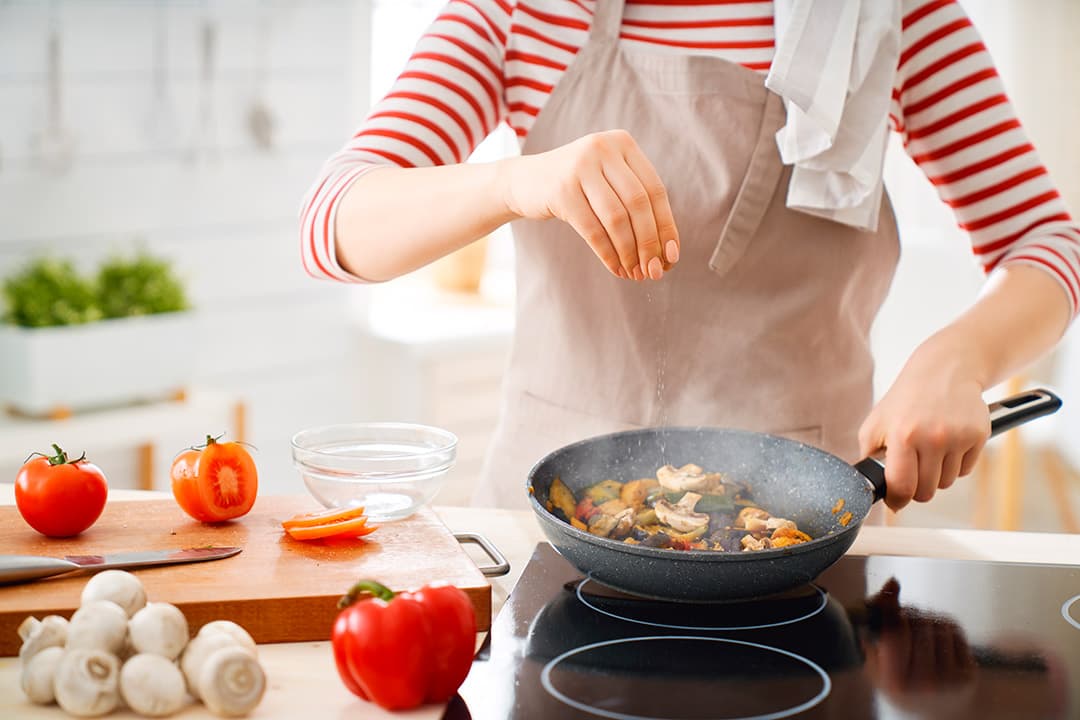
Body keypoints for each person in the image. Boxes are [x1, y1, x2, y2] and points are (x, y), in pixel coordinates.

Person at [300, 0, 1079, 513]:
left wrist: (957, 358)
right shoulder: (525, 12)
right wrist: (515, 179)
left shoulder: (888, 17)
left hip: (806, 526)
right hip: (549, 523)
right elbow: (332, 224)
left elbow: (1048, 242)